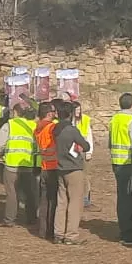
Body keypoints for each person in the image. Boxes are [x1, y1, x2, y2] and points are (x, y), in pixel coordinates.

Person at [52, 102, 90, 245]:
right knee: (75, 202)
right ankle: (71, 235)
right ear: (70, 114)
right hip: (73, 169)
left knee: (61, 202)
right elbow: (86, 146)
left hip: (60, 168)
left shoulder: (55, 129)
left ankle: (58, 233)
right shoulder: (71, 130)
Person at [107, 94, 132, 245]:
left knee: (122, 198)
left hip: (116, 162)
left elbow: (110, 142)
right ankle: (128, 233)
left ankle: (124, 229)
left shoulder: (114, 119)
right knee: (129, 199)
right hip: (128, 163)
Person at [0, 103, 38, 229]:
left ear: (15, 112)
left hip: (11, 164)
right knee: (29, 192)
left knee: (12, 192)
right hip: (27, 163)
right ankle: (32, 218)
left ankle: (9, 219)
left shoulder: (9, 125)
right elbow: (36, 146)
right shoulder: (33, 125)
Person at [35, 102, 60, 239]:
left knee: (44, 200)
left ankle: (42, 230)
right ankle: (50, 229)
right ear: (49, 113)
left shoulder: (38, 127)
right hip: (53, 166)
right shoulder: (51, 127)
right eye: (54, 111)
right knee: (53, 200)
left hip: (44, 166)